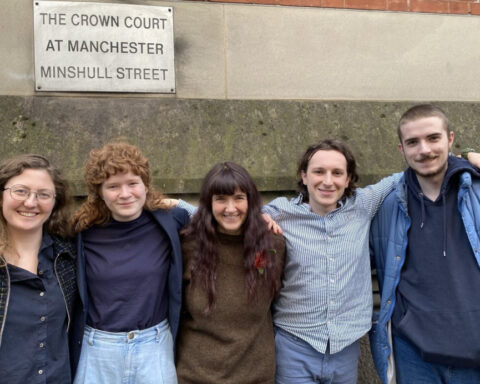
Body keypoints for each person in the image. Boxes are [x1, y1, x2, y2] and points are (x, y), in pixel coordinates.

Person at [260, 139, 403, 384]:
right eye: (318, 171)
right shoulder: (281, 213)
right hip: (295, 345)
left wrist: (467, 157)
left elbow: (411, 172)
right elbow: (224, 214)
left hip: (346, 347)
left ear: (348, 179)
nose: (328, 181)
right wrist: (175, 205)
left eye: (337, 173)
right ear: (304, 176)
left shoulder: (363, 205)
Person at [369, 104, 480, 383]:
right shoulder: (386, 204)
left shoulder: (476, 192)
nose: (424, 150)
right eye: (412, 142)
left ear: (450, 139)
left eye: (433, 138)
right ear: (401, 149)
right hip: (415, 356)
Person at [71, 142, 189, 384]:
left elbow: (214, 214)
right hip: (98, 350)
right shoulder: (82, 231)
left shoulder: (169, 221)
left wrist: (263, 217)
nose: (125, 194)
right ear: (99, 192)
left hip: (154, 346)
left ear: (145, 185)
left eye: (133, 183)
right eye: (113, 186)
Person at [175, 162, 285, 384]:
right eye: (220, 199)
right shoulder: (187, 246)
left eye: (238, 198)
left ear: (251, 201)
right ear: (208, 203)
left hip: (256, 377)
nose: (230, 207)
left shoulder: (273, 245)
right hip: (194, 376)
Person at [0, 154, 77, 383]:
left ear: (55, 203)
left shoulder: (68, 257)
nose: (31, 202)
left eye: (43, 194)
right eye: (20, 191)